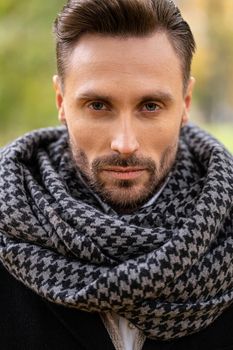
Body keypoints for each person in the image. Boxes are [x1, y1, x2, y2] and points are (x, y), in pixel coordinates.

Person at [0, 0, 232, 349]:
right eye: (98, 105)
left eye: (150, 106)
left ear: (184, 104)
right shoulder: (9, 220)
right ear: (61, 101)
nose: (125, 143)